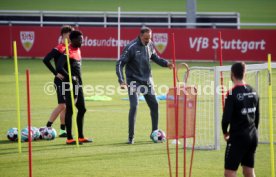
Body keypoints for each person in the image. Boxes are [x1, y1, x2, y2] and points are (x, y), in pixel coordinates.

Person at [116, 27, 173, 144]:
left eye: (150, 38)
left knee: (155, 105)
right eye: (146, 38)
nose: (148, 40)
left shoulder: (150, 44)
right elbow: (120, 64)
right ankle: (131, 137)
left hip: (147, 81)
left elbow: (155, 57)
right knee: (134, 106)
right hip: (133, 81)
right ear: (140, 36)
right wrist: (121, 81)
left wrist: (166, 63)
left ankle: (154, 133)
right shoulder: (131, 47)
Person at [222, 62, 259, 177]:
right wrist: (253, 131)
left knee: (229, 172)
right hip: (253, 136)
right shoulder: (254, 91)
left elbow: (226, 118)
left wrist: (225, 132)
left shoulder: (232, 93)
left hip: (238, 137)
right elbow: (257, 116)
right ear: (244, 73)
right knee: (249, 171)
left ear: (232, 74)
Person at [56, 30, 92, 145]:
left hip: (79, 85)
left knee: (82, 109)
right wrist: (70, 77)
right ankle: (69, 138)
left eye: (82, 39)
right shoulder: (68, 51)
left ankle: (81, 136)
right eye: (80, 39)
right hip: (69, 85)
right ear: (72, 40)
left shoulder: (78, 50)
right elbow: (59, 67)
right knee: (70, 110)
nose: (82, 41)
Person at [43, 25, 74, 137]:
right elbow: (46, 60)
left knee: (65, 106)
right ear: (63, 36)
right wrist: (55, 73)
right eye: (68, 35)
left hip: (68, 81)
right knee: (62, 105)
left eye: (71, 35)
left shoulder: (71, 49)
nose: (70, 37)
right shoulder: (59, 48)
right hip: (59, 81)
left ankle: (62, 131)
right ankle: (47, 126)